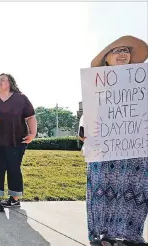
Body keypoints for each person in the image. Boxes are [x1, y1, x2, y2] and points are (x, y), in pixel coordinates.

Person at [82, 35, 148, 246]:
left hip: (135, 147)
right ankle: (103, 234)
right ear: (106, 58)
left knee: (134, 188)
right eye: (117, 50)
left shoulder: (142, 82)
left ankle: (130, 234)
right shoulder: (97, 82)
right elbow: (89, 112)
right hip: (104, 146)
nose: (122, 54)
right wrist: (83, 129)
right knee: (103, 186)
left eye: (126, 51)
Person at [0, 73, 37, 212]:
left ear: (10, 83)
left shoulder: (21, 98)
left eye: (2, 79)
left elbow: (30, 117)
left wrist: (32, 134)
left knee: (14, 168)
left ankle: (14, 199)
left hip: (16, 141)